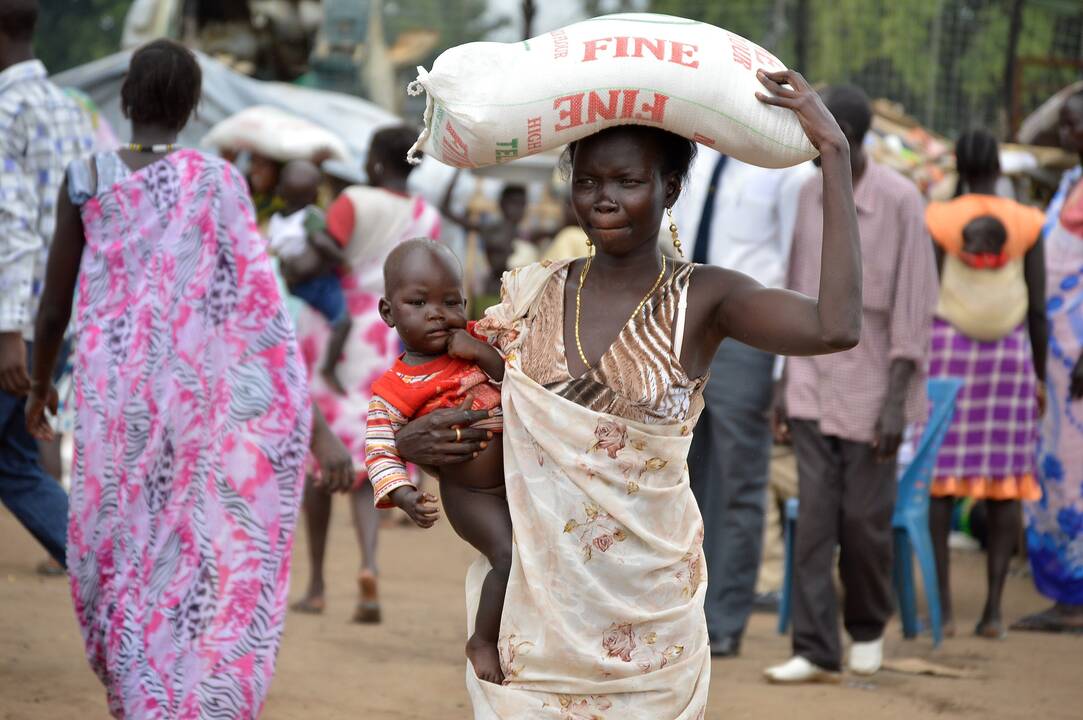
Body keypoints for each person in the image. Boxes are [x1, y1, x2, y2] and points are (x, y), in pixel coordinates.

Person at [390, 68, 861, 717]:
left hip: (648, 624)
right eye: (586, 181)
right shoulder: (532, 295)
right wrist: (409, 442)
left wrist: (832, 154)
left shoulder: (705, 297)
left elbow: (834, 326)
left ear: (668, 187)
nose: (602, 199)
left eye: (626, 181)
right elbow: (462, 405)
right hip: (535, 616)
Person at [23, 39, 353, 718]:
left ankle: (141, 692)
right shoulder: (218, 182)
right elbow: (261, 312)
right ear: (194, 107)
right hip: (194, 402)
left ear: (125, 99)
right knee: (186, 544)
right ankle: (184, 694)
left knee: (115, 546)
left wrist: (37, 383)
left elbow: (53, 305)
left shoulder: (84, 175)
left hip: (113, 403)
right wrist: (315, 430)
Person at [766, 84, 938, 684]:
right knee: (813, 525)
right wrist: (782, 385)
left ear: (853, 138)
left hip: (873, 391)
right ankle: (815, 648)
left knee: (864, 525)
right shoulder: (808, 196)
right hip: (813, 382)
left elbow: (915, 308)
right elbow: (793, 291)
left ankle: (866, 628)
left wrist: (896, 402)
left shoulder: (901, 201)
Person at [291, 124, 442, 622]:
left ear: (375, 162)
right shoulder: (427, 217)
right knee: (373, 456)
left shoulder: (352, 201)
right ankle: (370, 566)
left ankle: (315, 584)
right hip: (387, 338)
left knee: (322, 454)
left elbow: (315, 260)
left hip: (335, 332)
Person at [670, 147, 815, 657]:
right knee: (684, 476)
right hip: (689, 326)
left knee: (738, 481)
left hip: (749, 338)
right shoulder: (700, 156)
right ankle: (684, 611)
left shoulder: (789, 170)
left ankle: (725, 619)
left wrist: (782, 368)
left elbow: (798, 268)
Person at [367, 239, 509, 683]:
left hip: (521, 479)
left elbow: (519, 379)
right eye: (418, 302)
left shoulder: (479, 341)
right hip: (471, 495)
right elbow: (379, 447)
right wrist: (406, 495)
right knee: (509, 556)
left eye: (451, 301)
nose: (437, 313)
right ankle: (482, 640)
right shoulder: (393, 387)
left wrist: (483, 353)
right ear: (389, 313)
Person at [924, 129, 1047, 640]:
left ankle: (944, 608)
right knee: (1005, 484)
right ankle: (994, 612)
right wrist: (1039, 375)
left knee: (941, 480)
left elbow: (925, 290)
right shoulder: (1027, 223)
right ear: (998, 165)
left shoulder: (938, 219)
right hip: (1008, 361)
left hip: (948, 352)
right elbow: (1037, 307)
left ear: (958, 162)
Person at [0, 0, 93, 568]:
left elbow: (11, 227)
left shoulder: (7, 110)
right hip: (58, 319)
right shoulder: (69, 109)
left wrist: (8, 331)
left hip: (15, 327)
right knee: (13, 464)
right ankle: (110, 581)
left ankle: (119, 587)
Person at [1017, 89, 1083, 635]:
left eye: (1074, 125)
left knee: (1075, 473)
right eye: (1063, 125)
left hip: (1079, 360)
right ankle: (1064, 592)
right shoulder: (1070, 180)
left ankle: (1074, 598)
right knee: (1056, 469)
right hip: (1058, 359)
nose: (1065, 135)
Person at [269, 159, 353, 395]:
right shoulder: (310, 216)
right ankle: (329, 368)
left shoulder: (277, 220)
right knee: (343, 321)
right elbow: (319, 241)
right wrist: (342, 259)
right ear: (314, 194)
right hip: (317, 282)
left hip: (292, 284)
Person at [441, 173, 529, 313]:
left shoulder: (526, 235)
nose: (518, 209)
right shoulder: (491, 229)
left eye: (522, 204)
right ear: (502, 203)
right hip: (491, 292)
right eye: (513, 203)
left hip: (517, 296)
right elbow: (446, 210)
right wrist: (457, 172)